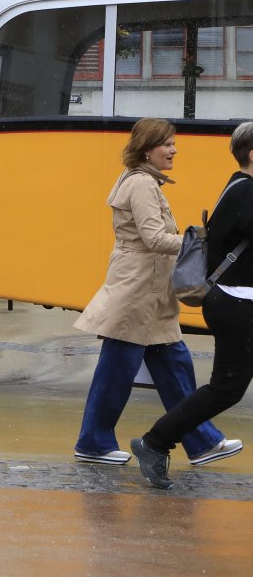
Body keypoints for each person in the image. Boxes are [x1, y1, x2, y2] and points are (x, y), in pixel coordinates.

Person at [72, 117, 236, 468]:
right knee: (117, 372)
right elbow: (155, 239)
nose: (174, 150)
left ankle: (201, 441)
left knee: (175, 367)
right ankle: (93, 442)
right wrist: (203, 243)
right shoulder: (142, 184)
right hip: (137, 291)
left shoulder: (142, 180)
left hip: (150, 292)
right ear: (147, 149)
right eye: (167, 144)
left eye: (173, 143)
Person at [133, 120, 253, 489]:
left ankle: (157, 441)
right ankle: (155, 442)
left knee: (226, 388)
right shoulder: (245, 192)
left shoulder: (241, 187)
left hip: (237, 301)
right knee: (225, 389)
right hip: (237, 304)